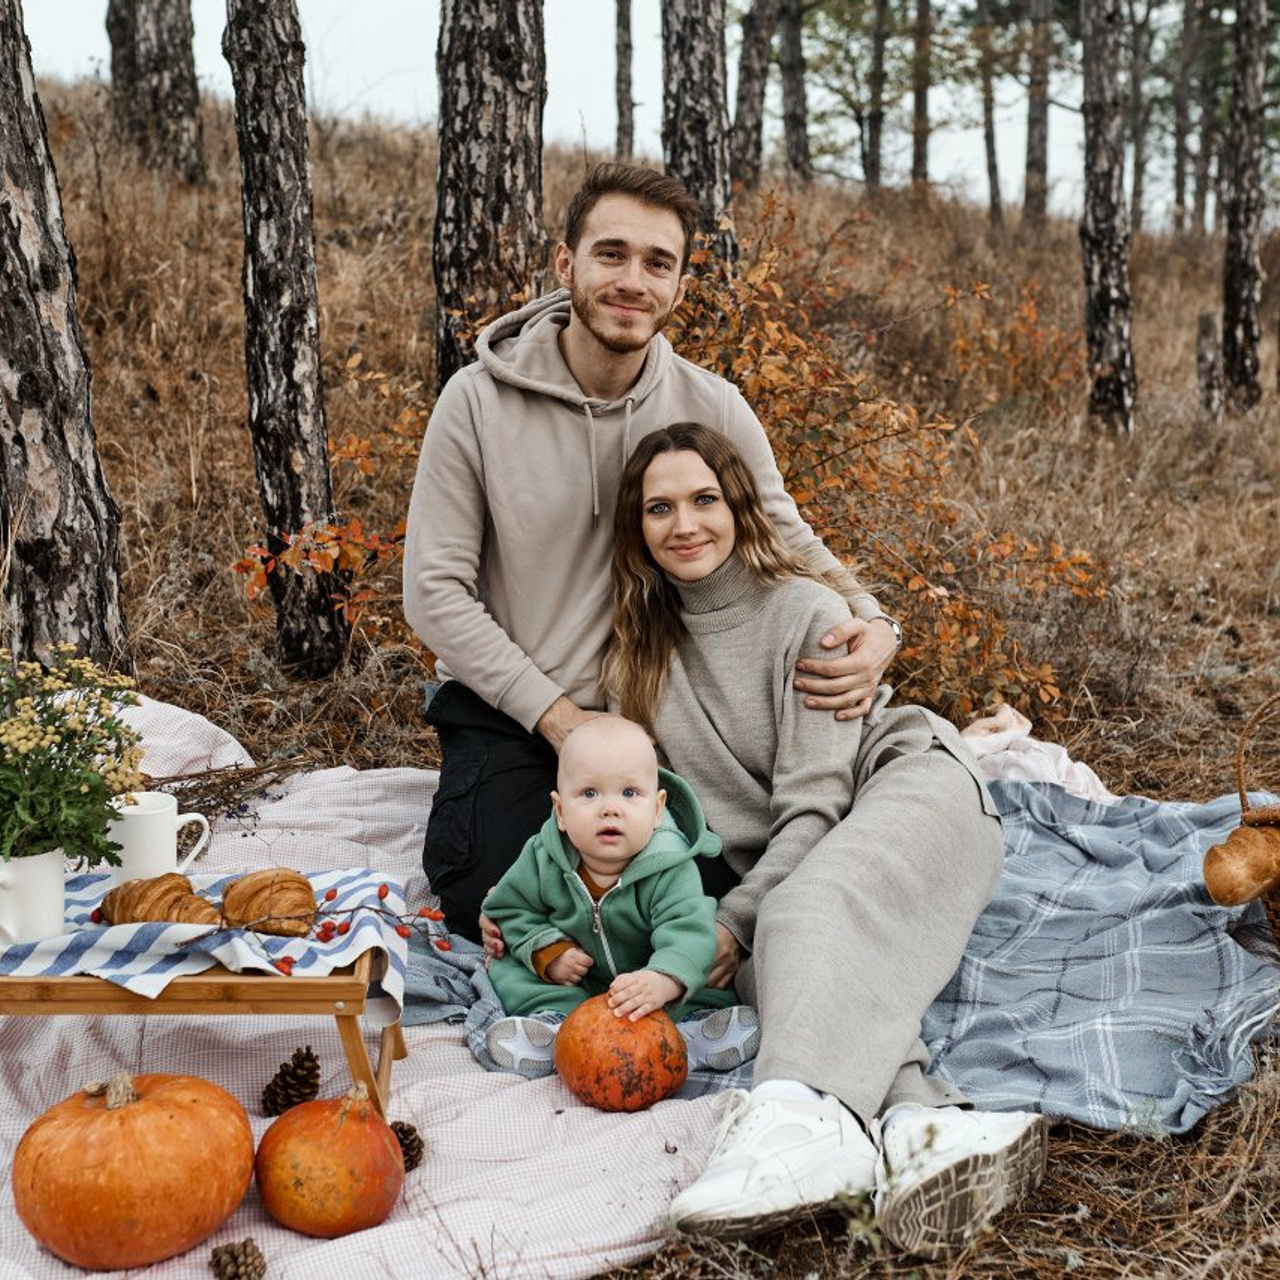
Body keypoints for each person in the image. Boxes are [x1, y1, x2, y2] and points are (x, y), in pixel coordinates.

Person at [403, 162, 901, 942]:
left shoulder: (713, 406)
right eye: (611, 254)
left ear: (678, 286)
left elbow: (786, 534)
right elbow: (434, 594)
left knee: (700, 907)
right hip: (517, 713)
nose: (632, 280)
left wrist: (876, 623)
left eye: (658, 263)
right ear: (566, 264)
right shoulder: (476, 402)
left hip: (662, 716)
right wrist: (563, 722)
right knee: (496, 899)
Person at [600, 423, 1046, 1260]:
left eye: (706, 500)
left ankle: (794, 1117)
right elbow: (637, 814)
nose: (686, 524)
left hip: (910, 789)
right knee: (783, 963)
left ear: (740, 506)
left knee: (797, 913)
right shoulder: (637, 658)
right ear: (637, 529)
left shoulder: (806, 612)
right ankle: (931, 1130)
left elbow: (814, 808)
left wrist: (730, 922)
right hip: (801, 859)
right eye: (660, 508)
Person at [480, 713, 759, 1079]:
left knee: (704, 972)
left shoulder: (669, 866)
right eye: (589, 793)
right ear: (561, 811)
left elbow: (688, 931)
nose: (610, 808)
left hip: (650, 987)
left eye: (629, 793)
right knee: (507, 967)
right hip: (578, 983)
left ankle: (688, 1036)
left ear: (657, 809)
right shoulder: (542, 856)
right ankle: (557, 1031)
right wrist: (549, 952)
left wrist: (663, 979)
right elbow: (511, 909)